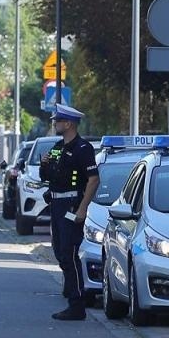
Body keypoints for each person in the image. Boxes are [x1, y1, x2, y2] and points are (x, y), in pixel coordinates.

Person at [41, 103, 100, 321]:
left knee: (69, 253)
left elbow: (93, 179)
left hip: (71, 206)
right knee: (59, 252)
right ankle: (71, 293)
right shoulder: (58, 147)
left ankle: (77, 303)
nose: (55, 123)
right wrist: (44, 164)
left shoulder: (83, 149)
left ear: (69, 124)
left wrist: (82, 208)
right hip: (56, 206)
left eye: (58, 121)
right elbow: (46, 176)